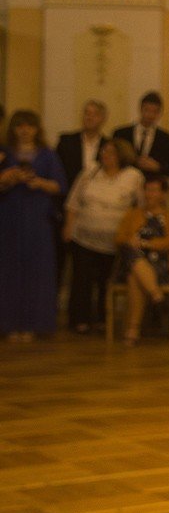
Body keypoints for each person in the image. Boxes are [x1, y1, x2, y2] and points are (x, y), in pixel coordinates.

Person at [64, 139, 143, 333]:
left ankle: (102, 318)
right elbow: (73, 201)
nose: (105, 155)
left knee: (105, 280)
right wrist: (68, 226)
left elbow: (140, 208)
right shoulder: (90, 172)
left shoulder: (133, 176)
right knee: (81, 278)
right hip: (83, 235)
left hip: (113, 240)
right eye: (104, 151)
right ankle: (80, 319)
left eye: (111, 152)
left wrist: (133, 232)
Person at [1, 111, 66, 341]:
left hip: (37, 219)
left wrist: (37, 182)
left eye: (29, 126)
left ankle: (33, 324)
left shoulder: (48, 155)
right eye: (20, 126)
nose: (25, 130)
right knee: (9, 270)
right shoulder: (5, 153)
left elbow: (59, 186)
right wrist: (9, 178)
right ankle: (8, 324)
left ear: (37, 129)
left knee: (36, 271)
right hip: (9, 218)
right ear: (13, 129)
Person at [115, 174, 169, 345]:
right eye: (147, 190)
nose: (149, 194)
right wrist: (131, 241)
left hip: (161, 263)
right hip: (133, 260)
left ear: (163, 194)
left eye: (154, 190)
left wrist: (145, 244)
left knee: (134, 273)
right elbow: (119, 238)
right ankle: (157, 296)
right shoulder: (133, 215)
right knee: (133, 258)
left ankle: (133, 330)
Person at [56, 99, 109, 201]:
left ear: (103, 119)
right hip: (68, 196)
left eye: (95, 114)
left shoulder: (108, 145)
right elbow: (58, 170)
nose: (90, 117)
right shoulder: (66, 141)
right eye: (87, 113)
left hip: (98, 198)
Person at [114, 91, 169, 178]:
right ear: (140, 109)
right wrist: (134, 161)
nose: (150, 115)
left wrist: (158, 167)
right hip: (124, 179)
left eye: (155, 111)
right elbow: (114, 159)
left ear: (160, 113)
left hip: (153, 181)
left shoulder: (166, 138)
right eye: (147, 110)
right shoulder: (121, 134)